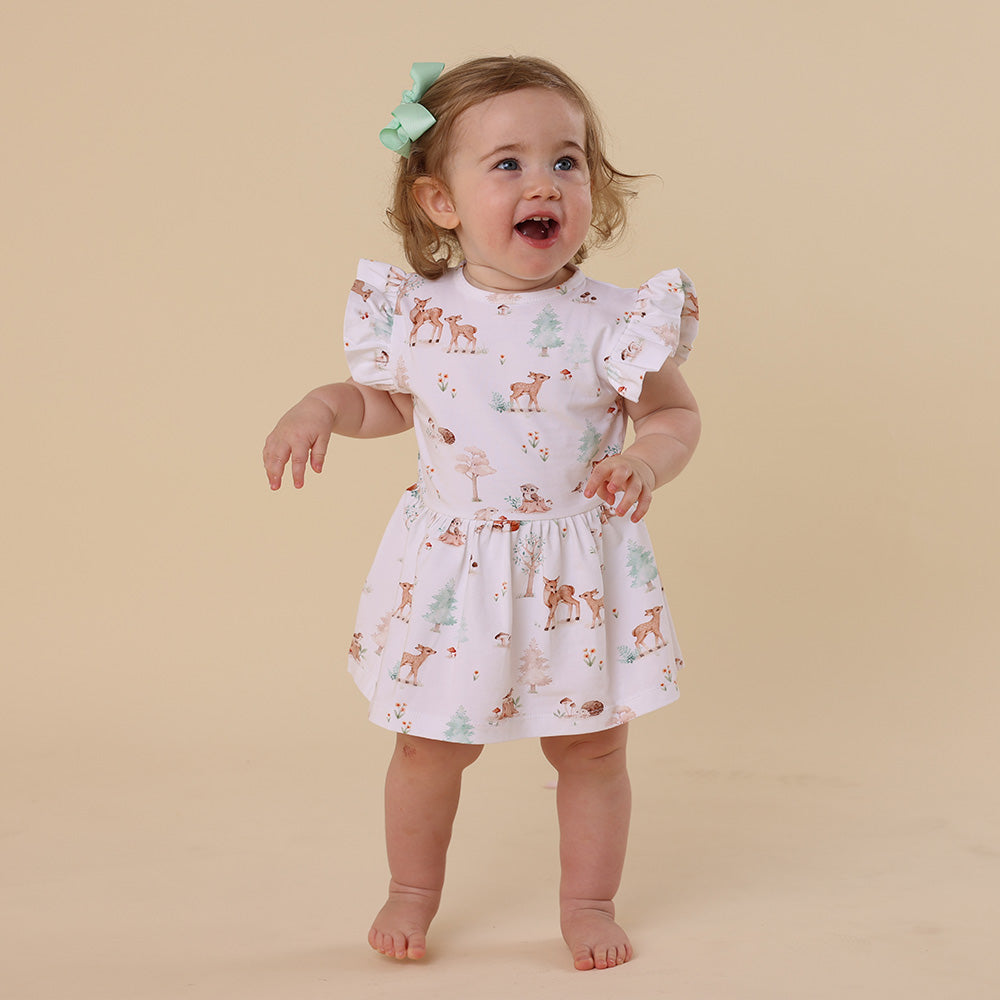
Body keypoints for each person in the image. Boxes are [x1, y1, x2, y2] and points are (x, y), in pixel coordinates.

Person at [262, 56, 701, 972]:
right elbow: (385, 402)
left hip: (575, 569)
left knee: (592, 750)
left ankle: (588, 901)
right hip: (456, 573)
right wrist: (321, 407)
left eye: (567, 161)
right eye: (508, 164)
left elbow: (673, 415)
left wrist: (643, 460)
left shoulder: (615, 322)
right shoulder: (419, 317)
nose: (545, 183)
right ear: (441, 202)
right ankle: (412, 889)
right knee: (428, 747)